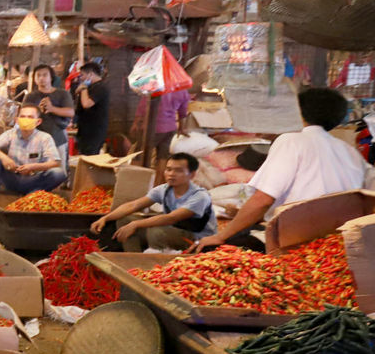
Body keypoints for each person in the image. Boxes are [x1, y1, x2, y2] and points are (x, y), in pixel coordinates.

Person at [194, 87, 374, 252]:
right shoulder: (350, 152)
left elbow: (263, 200)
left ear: (300, 112)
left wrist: (220, 236)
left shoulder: (291, 141)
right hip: (338, 242)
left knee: (209, 250)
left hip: (294, 240)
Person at [91, 153, 217, 252]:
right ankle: (134, 259)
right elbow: (134, 205)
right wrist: (106, 218)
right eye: (168, 169)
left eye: (178, 170)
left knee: (155, 231)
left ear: (192, 174)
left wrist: (136, 224)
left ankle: (155, 266)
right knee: (125, 220)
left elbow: (171, 218)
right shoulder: (164, 189)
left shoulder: (200, 196)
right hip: (174, 230)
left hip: (197, 238)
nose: (171, 174)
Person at [0, 103, 66, 202]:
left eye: (30, 117)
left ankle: (33, 193)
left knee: (59, 173)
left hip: (33, 179)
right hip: (12, 178)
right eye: (22, 116)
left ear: (38, 121)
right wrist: (5, 159)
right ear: (17, 120)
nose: (26, 119)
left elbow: (55, 162)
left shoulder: (45, 138)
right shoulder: (11, 134)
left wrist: (33, 167)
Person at [23, 64, 76, 172]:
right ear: (35, 79)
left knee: (58, 172)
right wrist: (37, 110)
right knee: (38, 171)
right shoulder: (30, 96)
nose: (41, 78)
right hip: (36, 141)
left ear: (51, 77)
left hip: (57, 138)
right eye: (38, 75)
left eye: (45, 75)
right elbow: (23, 116)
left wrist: (52, 109)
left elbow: (70, 112)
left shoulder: (62, 94)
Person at [140, 89, 191, 184]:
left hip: (153, 127)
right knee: (162, 157)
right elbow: (183, 112)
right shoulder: (183, 91)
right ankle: (157, 185)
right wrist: (181, 128)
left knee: (141, 155)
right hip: (171, 128)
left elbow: (143, 105)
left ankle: (140, 184)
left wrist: (137, 122)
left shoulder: (155, 87)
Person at [74, 61, 110, 155]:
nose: (80, 78)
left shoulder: (101, 87)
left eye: (82, 75)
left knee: (90, 158)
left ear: (90, 74)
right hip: (84, 130)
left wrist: (83, 88)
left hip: (94, 131)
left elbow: (86, 104)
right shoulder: (90, 87)